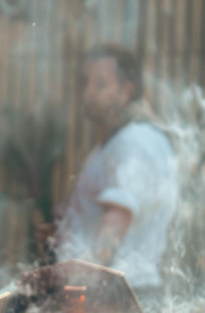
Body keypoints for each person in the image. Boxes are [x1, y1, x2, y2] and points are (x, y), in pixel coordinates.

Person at [39, 44, 178, 295]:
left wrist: (80, 284)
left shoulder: (134, 141)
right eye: (85, 83)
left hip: (118, 295)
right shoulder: (115, 142)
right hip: (111, 290)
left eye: (100, 84)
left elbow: (117, 220)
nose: (88, 93)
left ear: (126, 90)